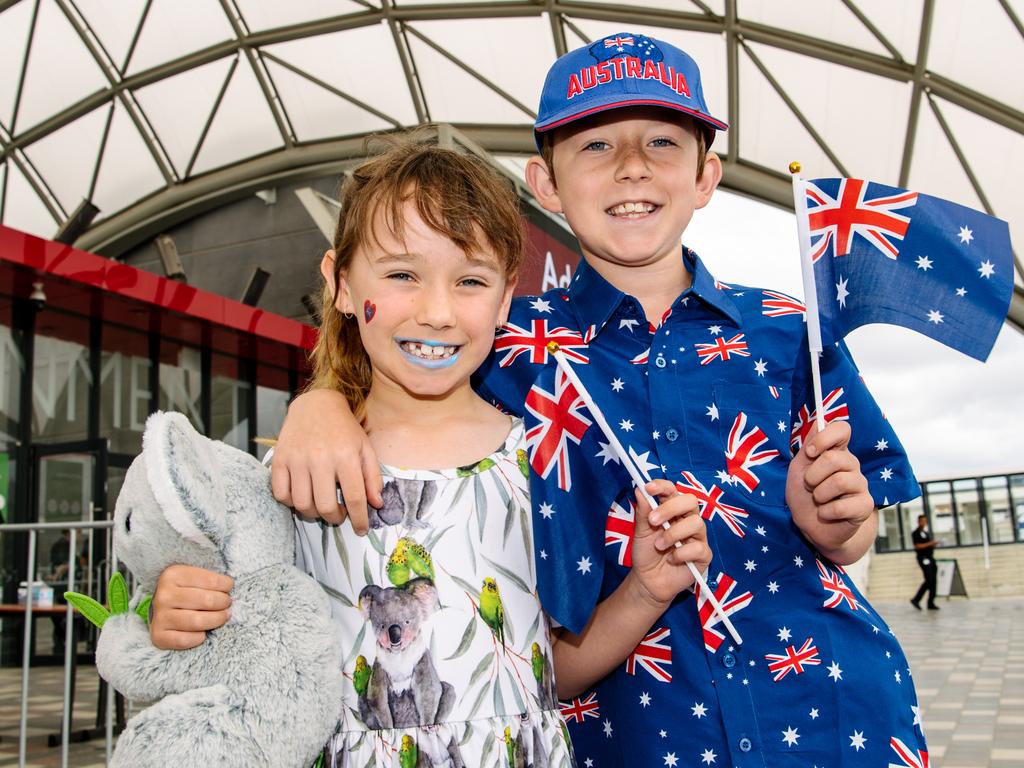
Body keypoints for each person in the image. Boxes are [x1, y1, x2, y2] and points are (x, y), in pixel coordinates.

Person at [267, 33, 930, 767]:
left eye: (661, 142)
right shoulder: (506, 344)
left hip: (832, 722)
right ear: (545, 185)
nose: (632, 165)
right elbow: (401, 377)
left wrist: (838, 524)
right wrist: (319, 403)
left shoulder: (791, 333)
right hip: (641, 740)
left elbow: (856, 531)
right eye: (595, 146)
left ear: (707, 176)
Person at [148, 138, 713, 766]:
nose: (437, 311)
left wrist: (645, 590)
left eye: (470, 280)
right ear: (338, 283)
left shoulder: (545, 464)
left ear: (505, 302)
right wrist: (181, 609)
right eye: (400, 274)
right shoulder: (298, 472)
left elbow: (550, 671)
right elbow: (239, 640)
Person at [911, 514, 940, 610]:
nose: (924, 522)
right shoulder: (916, 533)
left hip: (930, 558)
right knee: (929, 580)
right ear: (919, 522)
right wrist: (930, 543)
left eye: (925, 521)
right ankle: (916, 599)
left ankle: (931, 602)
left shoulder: (926, 532)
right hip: (923, 558)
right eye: (922, 521)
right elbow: (917, 546)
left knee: (934, 580)